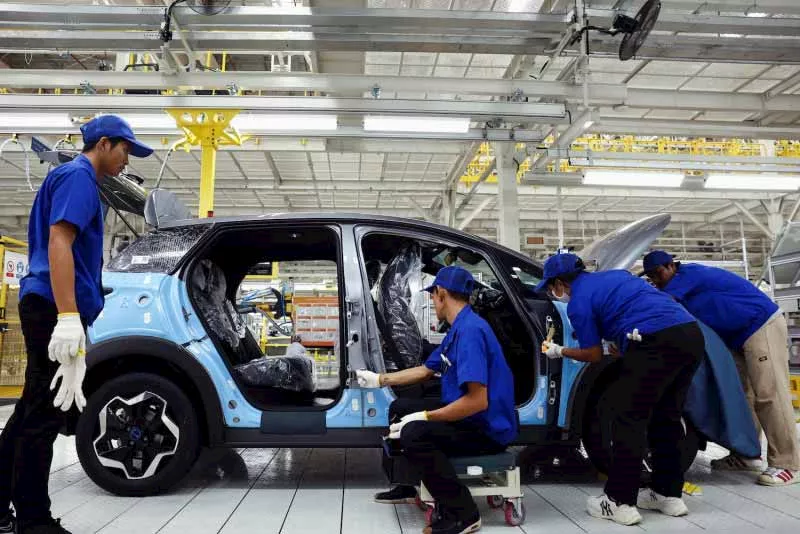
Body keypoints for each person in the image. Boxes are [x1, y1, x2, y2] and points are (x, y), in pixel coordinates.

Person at [0, 115, 152, 534]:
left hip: (50, 305)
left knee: (29, 413)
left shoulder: (76, 179)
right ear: (103, 144)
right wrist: (68, 316)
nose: (126, 160)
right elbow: (60, 241)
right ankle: (33, 521)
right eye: (125, 150)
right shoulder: (78, 177)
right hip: (53, 307)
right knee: (43, 418)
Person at [538, 253, 704, 527]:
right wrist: (620, 341)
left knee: (629, 419)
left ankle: (619, 501)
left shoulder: (578, 302)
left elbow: (592, 354)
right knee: (667, 417)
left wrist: (559, 350)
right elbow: (629, 312)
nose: (553, 293)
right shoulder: (616, 275)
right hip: (690, 335)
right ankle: (668, 494)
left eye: (550, 287)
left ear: (558, 283)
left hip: (652, 339)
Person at [356, 266, 517, 534]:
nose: (432, 300)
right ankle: (409, 484)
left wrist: (426, 417)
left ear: (442, 293)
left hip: (486, 427)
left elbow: (477, 402)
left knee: (414, 433)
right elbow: (426, 370)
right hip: (468, 416)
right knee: (400, 408)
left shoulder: (471, 333)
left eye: (433, 295)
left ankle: (463, 513)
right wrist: (379, 379)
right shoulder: (458, 328)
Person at [642, 250, 800, 486]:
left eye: (657, 274)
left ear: (671, 266)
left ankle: (788, 464)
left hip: (760, 325)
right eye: (651, 277)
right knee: (743, 397)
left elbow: (661, 302)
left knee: (769, 394)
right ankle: (747, 454)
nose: (656, 280)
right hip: (736, 337)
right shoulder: (676, 283)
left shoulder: (688, 275)